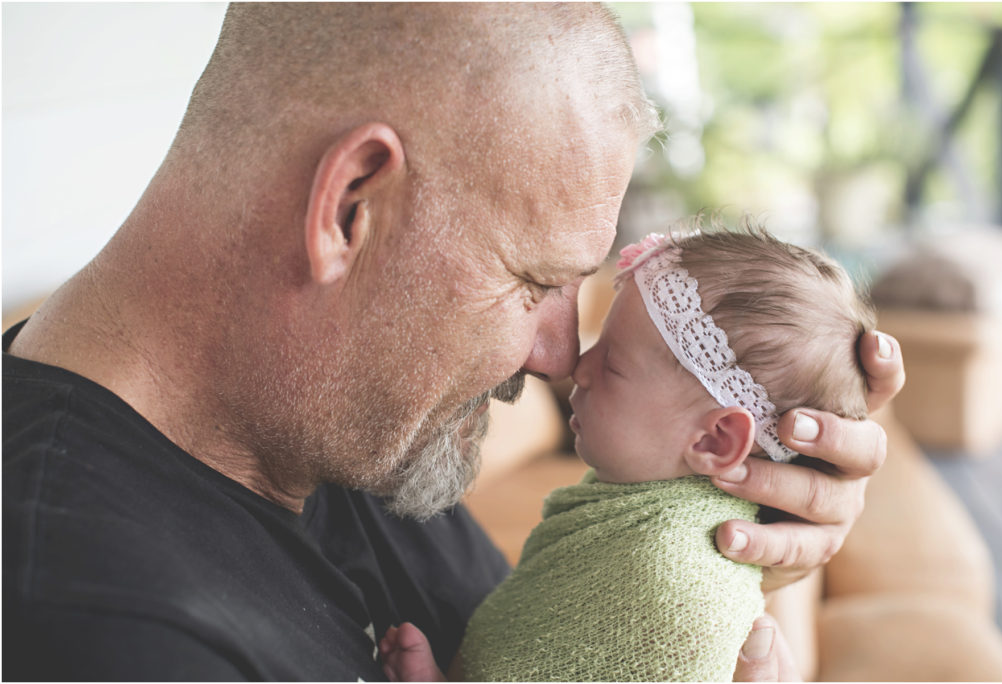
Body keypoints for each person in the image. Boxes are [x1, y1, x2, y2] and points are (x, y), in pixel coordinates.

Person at [3, 4, 903, 681]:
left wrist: (725, 547)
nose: (557, 356)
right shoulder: (100, 630)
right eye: (536, 283)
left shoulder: (343, 422)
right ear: (353, 207)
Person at [378, 223, 878, 681]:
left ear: (715, 440)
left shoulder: (670, 583)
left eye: (612, 364)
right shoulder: (635, 509)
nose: (578, 367)